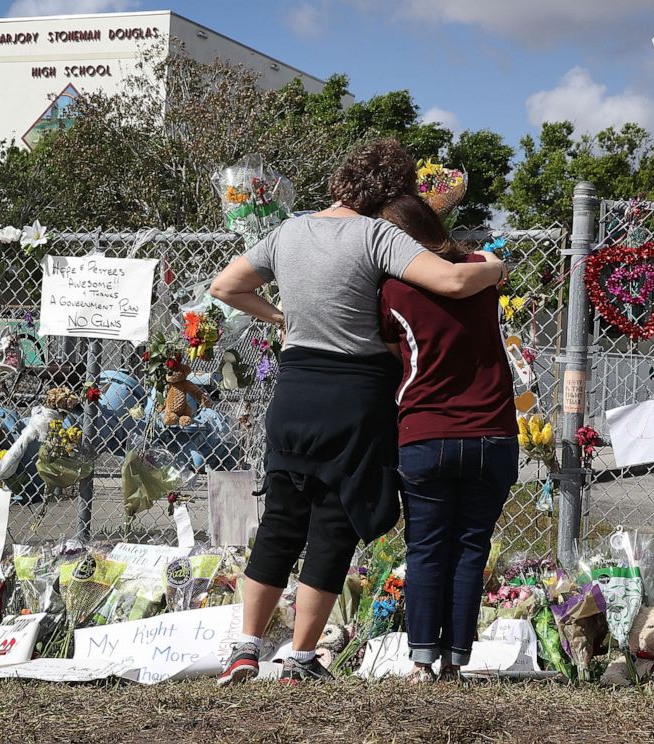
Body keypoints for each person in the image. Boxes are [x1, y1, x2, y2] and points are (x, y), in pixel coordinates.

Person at [208, 139, 507, 685]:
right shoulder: (379, 235)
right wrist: (493, 266)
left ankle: (245, 649)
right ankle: (299, 657)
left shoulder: (288, 231)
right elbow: (452, 281)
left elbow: (225, 286)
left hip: (296, 389)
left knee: (280, 518)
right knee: (334, 521)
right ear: (394, 192)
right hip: (357, 394)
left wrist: (280, 318)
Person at [377, 193, 519, 683]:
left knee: (426, 546)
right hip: (493, 432)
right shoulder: (480, 270)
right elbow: (495, 264)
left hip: (426, 432)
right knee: (470, 546)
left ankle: (421, 660)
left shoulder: (392, 288)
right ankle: (456, 661)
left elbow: (393, 350)